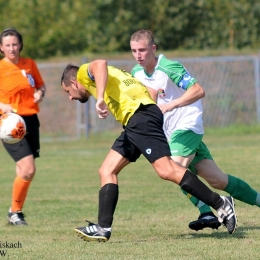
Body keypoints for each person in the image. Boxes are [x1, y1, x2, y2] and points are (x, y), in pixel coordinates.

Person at [61, 60, 237, 242]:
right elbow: (151, 92)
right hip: (136, 122)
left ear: (74, 83)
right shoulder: (120, 74)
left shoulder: (82, 72)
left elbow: (99, 63)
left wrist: (100, 99)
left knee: (167, 169)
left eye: (68, 91)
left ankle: (220, 203)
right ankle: (103, 228)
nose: (70, 97)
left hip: (140, 118)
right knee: (107, 170)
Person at [130, 29, 260, 232]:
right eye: (134, 50)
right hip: (171, 132)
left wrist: (171, 106)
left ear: (153, 49)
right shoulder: (136, 73)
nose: (138, 55)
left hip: (187, 125)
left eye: (143, 50)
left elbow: (198, 90)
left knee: (173, 169)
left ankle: (208, 211)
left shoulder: (167, 67)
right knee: (217, 179)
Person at [0, 28, 46, 225]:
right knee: (28, 169)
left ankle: (14, 213)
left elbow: (41, 86)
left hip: (31, 120)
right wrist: (2, 106)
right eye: (8, 45)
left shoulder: (29, 64)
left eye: (15, 44)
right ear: (1, 48)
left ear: (20, 45)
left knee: (25, 170)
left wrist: (40, 94)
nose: (12, 48)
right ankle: (15, 212)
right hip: (10, 123)